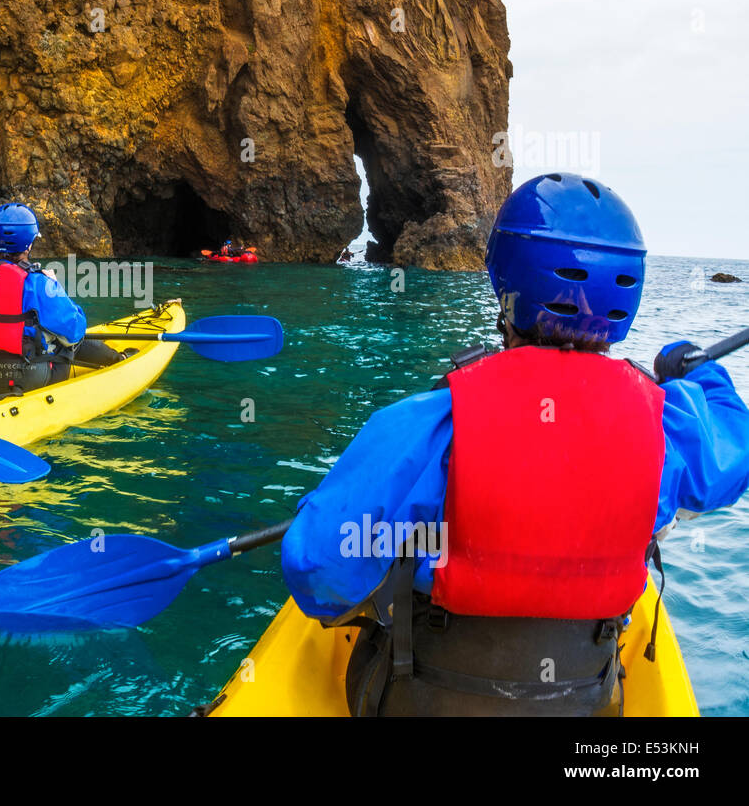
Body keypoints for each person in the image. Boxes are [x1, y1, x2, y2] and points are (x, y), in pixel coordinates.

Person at [280, 172, 749, 716]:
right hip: (582, 702)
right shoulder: (671, 424)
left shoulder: (429, 422)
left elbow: (316, 569)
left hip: (424, 699)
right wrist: (693, 369)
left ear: (504, 283)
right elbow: (733, 456)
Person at [0, 202, 128, 394]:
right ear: (28, 244)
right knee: (64, 339)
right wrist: (56, 286)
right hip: (30, 378)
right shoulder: (40, 283)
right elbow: (75, 331)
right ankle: (118, 360)